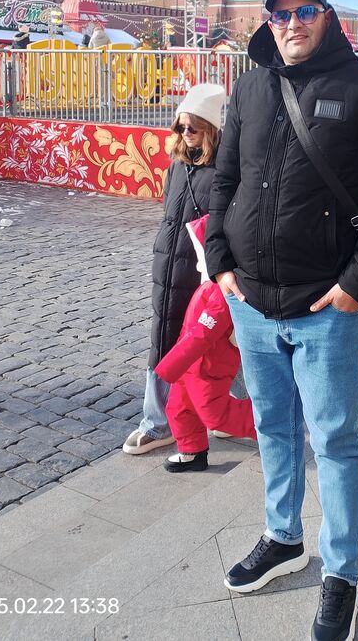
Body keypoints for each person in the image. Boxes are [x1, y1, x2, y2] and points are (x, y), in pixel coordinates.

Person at [205, 0, 358, 641]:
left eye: (304, 11)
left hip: (328, 304)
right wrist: (220, 260)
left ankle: (341, 572)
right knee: (272, 426)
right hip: (252, 300)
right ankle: (282, 535)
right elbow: (225, 178)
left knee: (335, 440)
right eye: (279, 15)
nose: (292, 24)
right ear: (267, 24)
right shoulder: (250, 87)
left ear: (326, 17)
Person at [122, 83, 226, 455]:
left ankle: (229, 409)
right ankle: (158, 422)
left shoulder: (226, 167)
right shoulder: (178, 163)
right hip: (168, 266)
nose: (185, 133)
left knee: (215, 342)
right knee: (164, 342)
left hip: (204, 272)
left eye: (192, 126)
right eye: (179, 126)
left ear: (210, 127)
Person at [155, 215, 256, 472]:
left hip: (208, 366)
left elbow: (203, 333)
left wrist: (171, 364)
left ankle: (270, 427)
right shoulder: (209, 286)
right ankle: (192, 450)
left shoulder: (222, 293)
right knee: (179, 408)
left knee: (216, 413)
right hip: (191, 364)